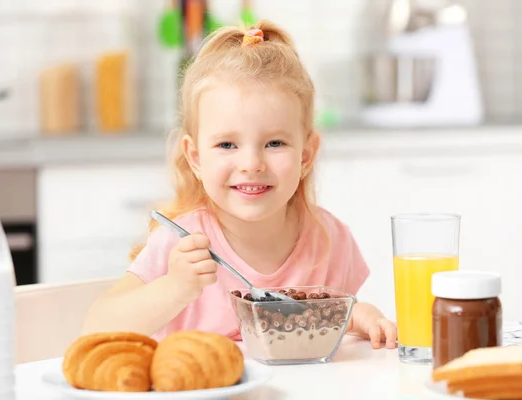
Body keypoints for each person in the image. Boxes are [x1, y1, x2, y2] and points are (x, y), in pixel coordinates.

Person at [82, 20, 397, 350]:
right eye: (227, 145)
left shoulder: (330, 240)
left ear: (306, 155)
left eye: (274, 143)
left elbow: (336, 316)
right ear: (195, 158)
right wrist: (174, 287)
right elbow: (95, 328)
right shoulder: (181, 244)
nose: (251, 164)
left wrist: (363, 316)